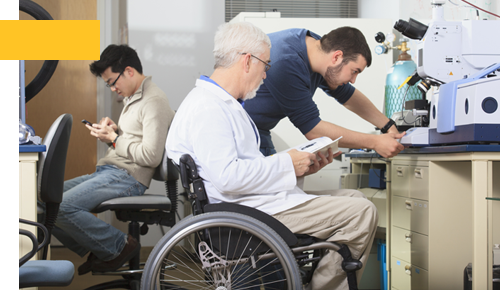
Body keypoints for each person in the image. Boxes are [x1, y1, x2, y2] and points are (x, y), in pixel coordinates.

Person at [166, 22, 377, 290]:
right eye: (265, 65)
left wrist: (298, 168)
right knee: (361, 211)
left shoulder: (222, 104)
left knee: (354, 197)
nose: (266, 75)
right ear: (246, 61)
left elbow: (245, 169)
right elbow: (228, 178)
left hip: (253, 203)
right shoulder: (208, 108)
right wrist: (287, 162)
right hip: (247, 214)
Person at [52, 44, 175, 275]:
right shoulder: (134, 97)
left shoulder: (153, 100)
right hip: (111, 172)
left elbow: (150, 155)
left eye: (111, 82)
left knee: (61, 207)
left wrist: (115, 139)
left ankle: (118, 246)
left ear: (129, 71)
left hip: (127, 178)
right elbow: (134, 141)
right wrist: (112, 136)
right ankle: (99, 247)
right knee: (43, 200)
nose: (112, 89)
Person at [243, 27, 405, 158]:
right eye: (354, 71)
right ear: (337, 57)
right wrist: (375, 142)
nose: (353, 80)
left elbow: (347, 95)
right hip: (239, 136)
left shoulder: (317, 49)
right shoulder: (287, 61)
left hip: (259, 133)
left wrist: (388, 125)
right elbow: (313, 129)